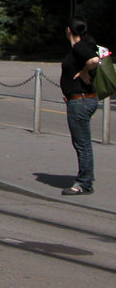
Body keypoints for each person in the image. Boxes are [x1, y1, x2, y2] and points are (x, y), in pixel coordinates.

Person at [60, 17, 101, 196]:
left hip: (80, 101)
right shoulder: (84, 45)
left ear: (68, 30)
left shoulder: (79, 47)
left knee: (82, 144)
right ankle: (86, 178)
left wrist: (84, 71)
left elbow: (94, 60)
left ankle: (84, 183)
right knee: (82, 143)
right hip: (82, 99)